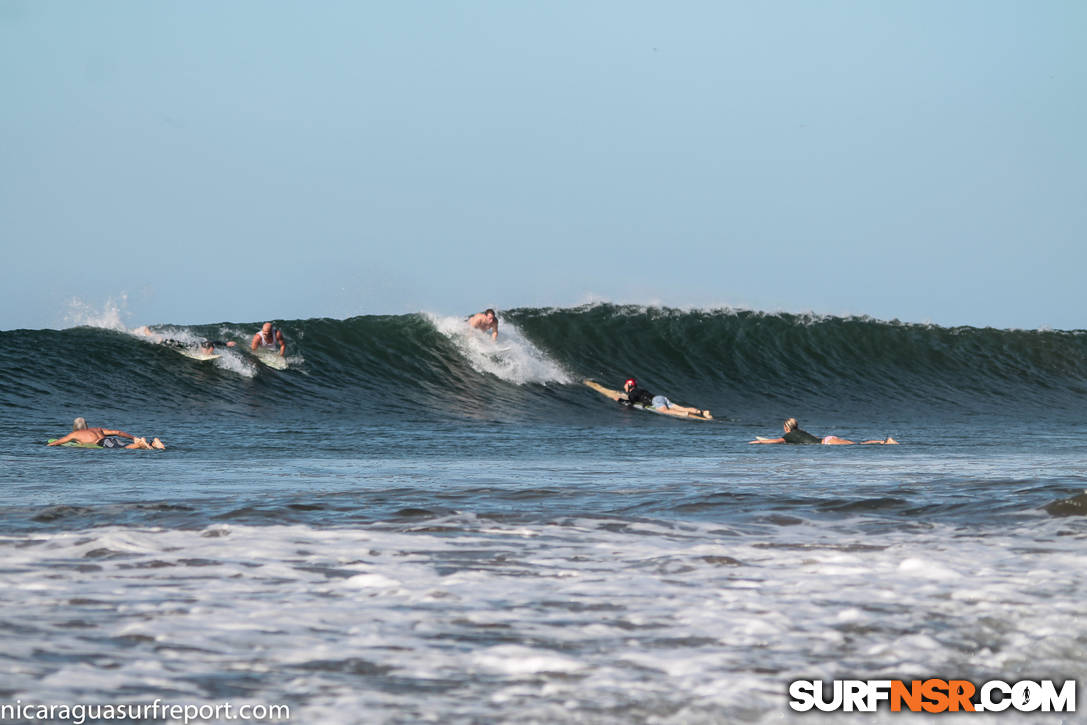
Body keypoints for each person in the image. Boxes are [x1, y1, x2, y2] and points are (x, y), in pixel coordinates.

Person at [749, 417, 897, 445]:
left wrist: (758, 441)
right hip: (827, 439)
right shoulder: (799, 432)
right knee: (857, 443)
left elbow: (776, 441)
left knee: (857, 444)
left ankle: (885, 442)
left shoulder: (789, 436)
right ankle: (884, 442)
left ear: (786, 428)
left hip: (827, 443)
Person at [47, 418, 165, 449]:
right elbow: (117, 432)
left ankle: (140, 444)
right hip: (112, 440)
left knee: (124, 449)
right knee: (123, 445)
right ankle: (153, 444)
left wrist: (48, 446)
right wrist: (133, 437)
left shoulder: (74, 435)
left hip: (104, 443)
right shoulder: (97, 429)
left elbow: (58, 442)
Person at [621, 377, 709, 418]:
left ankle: (685, 414)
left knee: (665, 411)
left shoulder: (633, 393)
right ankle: (702, 412)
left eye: (625, 384)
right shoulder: (640, 390)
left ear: (629, 385)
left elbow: (631, 402)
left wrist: (623, 403)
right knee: (681, 407)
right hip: (660, 397)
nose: (624, 386)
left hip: (655, 401)